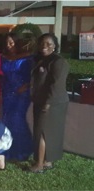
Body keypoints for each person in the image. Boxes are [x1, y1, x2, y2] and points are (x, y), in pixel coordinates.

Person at [29, 33, 70, 173]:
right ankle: (47, 161)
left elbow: (56, 84)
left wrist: (48, 103)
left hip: (53, 102)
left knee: (43, 132)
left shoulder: (58, 61)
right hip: (42, 100)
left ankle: (39, 165)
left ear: (55, 46)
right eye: (42, 44)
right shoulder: (42, 60)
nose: (44, 46)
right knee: (45, 132)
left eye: (48, 44)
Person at [0, 33, 34, 161]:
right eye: (7, 43)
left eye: (11, 42)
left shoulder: (28, 58)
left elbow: (33, 76)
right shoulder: (4, 57)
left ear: (17, 43)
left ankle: (23, 150)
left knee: (18, 120)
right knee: (7, 120)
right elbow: (1, 76)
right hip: (7, 92)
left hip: (21, 93)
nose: (9, 45)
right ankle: (8, 150)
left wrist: (26, 86)